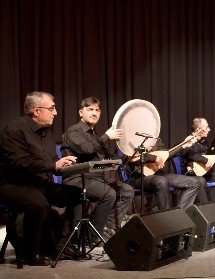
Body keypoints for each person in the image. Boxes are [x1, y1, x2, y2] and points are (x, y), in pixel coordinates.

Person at [0, 92, 81, 265]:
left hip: (37, 182)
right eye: (51, 108)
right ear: (37, 111)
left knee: (76, 194)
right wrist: (54, 166)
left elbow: (51, 164)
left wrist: (65, 167)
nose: (56, 112)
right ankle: (30, 253)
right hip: (12, 183)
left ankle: (59, 243)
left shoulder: (47, 134)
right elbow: (20, 163)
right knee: (39, 203)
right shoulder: (14, 129)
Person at [61, 97, 134, 236]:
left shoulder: (95, 135)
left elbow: (108, 160)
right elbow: (86, 149)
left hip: (95, 179)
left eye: (97, 110)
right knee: (109, 193)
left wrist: (129, 154)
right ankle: (95, 235)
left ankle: (108, 228)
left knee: (127, 191)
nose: (94, 113)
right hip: (76, 179)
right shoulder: (74, 131)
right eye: (90, 109)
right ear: (80, 112)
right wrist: (106, 137)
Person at [122, 135, 204, 211]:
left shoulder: (155, 139)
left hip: (158, 174)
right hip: (138, 177)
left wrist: (183, 146)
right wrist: (154, 158)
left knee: (194, 182)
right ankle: (167, 217)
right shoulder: (132, 138)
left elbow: (165, 155)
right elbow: (128, 158)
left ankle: (180, 215)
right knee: (161, 181)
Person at [178, 118, 215, 201]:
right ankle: (205, 209)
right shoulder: (188, 141)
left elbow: (211, 156)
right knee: (201, 182)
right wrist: (206, 161)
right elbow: (191, 155)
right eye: (207, 127)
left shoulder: (203, 141)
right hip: (190, 175)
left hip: (205, 173)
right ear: (198, 129)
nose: (209, 129)